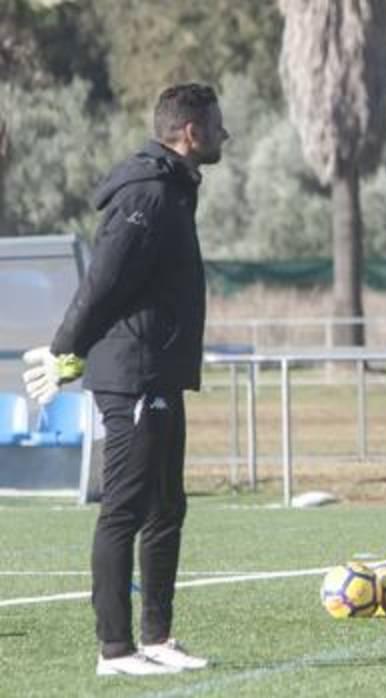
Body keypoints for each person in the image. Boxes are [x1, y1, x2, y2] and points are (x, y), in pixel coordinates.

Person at [22, 84, 228, 676]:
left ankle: (157, 637)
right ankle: (114, 649)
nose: (224, 135)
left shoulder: (173, 191)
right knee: (125, 508)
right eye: (216, 125)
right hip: (134, 375)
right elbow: (104, 280)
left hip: (160, 369)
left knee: (168, 506)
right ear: (189, 132)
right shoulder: (148, 195)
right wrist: (66, 349)